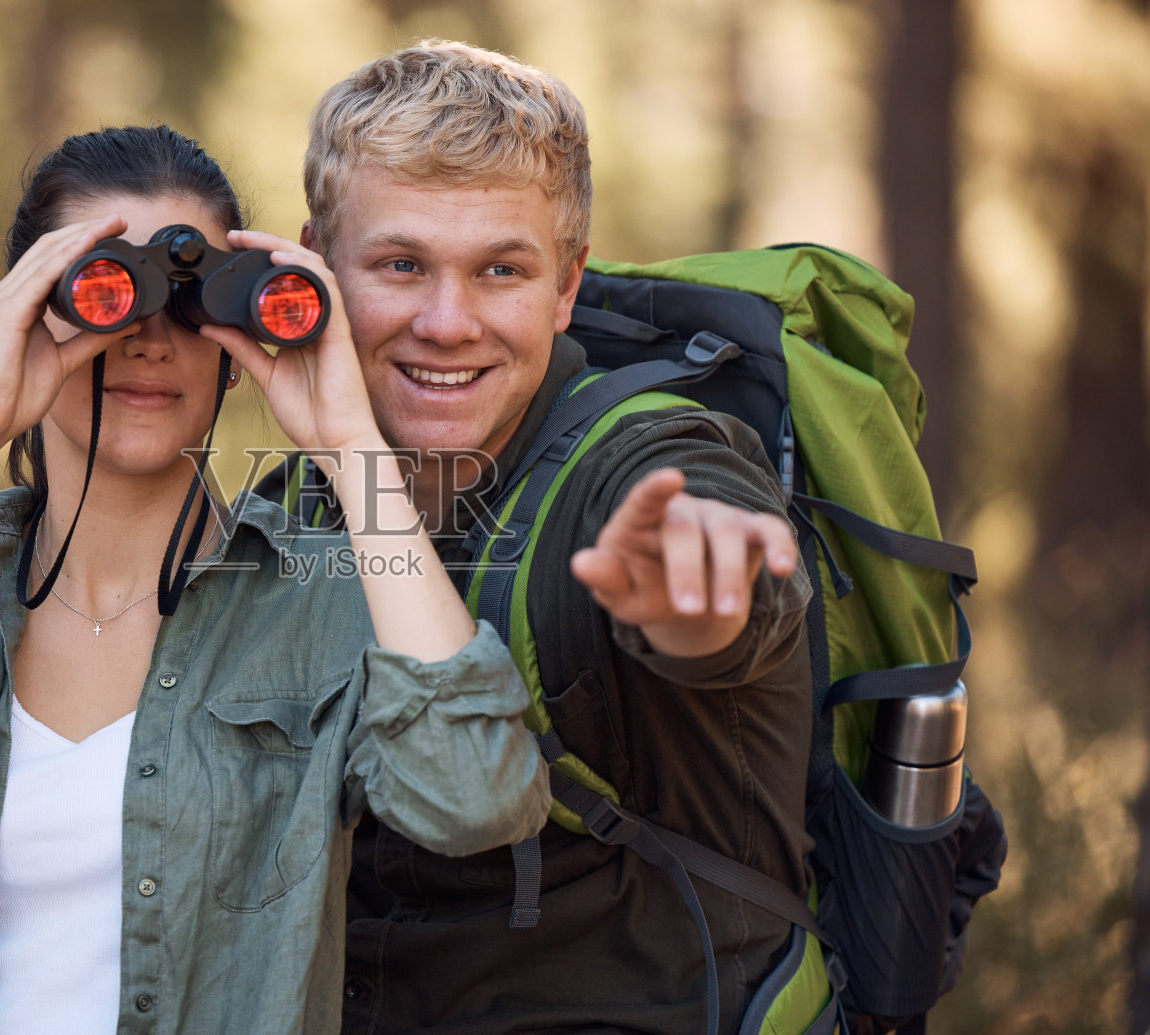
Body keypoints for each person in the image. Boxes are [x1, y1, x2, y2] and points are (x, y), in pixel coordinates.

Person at [0, 125, 550, 1035]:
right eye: (105, 291)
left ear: (239, 330)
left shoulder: (322, 605)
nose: (148, 340)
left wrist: (349, 443)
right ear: (29, 304)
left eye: (192, 304)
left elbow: (475, 801)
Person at [256, 42, 816, 1033]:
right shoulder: (298, 501)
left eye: (499, 272)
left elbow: (723, 578)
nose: (446, 321)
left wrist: (699, 599)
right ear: (320, 263)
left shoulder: (642, 467)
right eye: (399, 264)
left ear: (565, 288)